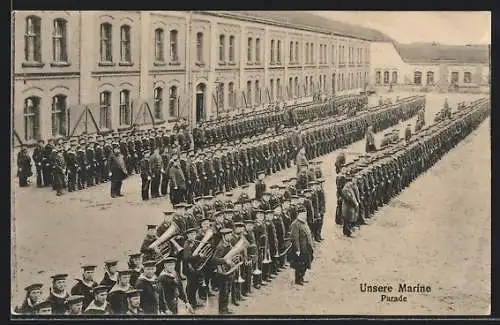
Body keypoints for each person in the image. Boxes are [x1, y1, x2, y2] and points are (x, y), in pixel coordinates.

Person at [212, 228, 235, 315]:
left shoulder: (228, 244)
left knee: (227, 290)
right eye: (228, 235)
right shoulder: (221, 246)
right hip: (222, 273)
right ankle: (222, 310)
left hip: (228, 271)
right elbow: (214, 259)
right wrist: (225, 261)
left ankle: (225, 308)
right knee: (224, 292)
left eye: (230, 235)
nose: (230, 237)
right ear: (223, 236)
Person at [289, 207, 314, 285]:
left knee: (306, 263)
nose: (304, 216)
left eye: (305, 214)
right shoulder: (295, 224)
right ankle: (298, 279)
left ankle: (302, 277)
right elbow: (295, 238)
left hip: (307, 247)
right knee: (299, 265)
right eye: (303, 214)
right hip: (301, 249)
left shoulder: (304, 222)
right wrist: (297, 250)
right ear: (299, 214)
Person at [182, 227, 204, 309]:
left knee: (195, 285)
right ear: (188, 235)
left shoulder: (194, 242)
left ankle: (193, 301)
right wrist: (199, 256)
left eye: (194, 234)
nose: (193, 236)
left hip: (194, 267)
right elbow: (187, 258)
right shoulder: (187, 245)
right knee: (191, 286)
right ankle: (191, 303)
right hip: (189, 268)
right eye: (191, 234)